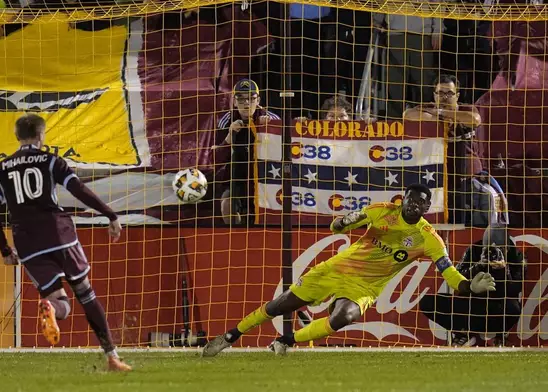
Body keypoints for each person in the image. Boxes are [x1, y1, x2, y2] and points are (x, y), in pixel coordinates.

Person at [202, 184, 496, 356]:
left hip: (365, 288)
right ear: (402, 199)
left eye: (422, 202)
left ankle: (286, 341)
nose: (416, 204)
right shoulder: (381, 211)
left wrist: (470, 285)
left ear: (427, 207)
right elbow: (337, 225)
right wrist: (342, 223)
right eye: (412, 199)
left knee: (344, 317)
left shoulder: (430, 239)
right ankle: (231, 335)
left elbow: (450, 275)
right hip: (336, 269)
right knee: (280, 305)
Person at [0, 114, 131, 372]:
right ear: (42, 136)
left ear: (17, 136)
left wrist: (4, 248)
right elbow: (79, 190)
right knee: (85, 294)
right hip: (59, 233)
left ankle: (50, 306)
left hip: (28, 241)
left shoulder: (0, 169)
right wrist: (110, 214)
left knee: (58, 299)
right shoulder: (52, 161)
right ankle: (112, 357)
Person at [403, 74, 484, 223]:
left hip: (466, 176)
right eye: (440, 93)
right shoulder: (426, 109)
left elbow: (475, 120)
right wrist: (438, 117)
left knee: (465, 221)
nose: (444, 97)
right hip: (436, 177)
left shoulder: (467, 109)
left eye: (449, 93)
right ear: (434, 95)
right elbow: (407, 115)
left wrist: (442, 113)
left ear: (457, 96)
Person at [420, 238, 525, 347]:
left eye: (501, 248)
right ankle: (462, 332)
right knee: (428, 302)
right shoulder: (474, 249)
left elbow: (516, 288)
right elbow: (458, 276)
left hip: (497, 308)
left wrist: (504, 270)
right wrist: (478, 266)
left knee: (514, 307)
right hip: (471, 305)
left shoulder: (516, 255)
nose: (494, 251)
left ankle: (500, 334)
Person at [214, 78, 280, 225]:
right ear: (234, 102)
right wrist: (229, 137)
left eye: (251, 98)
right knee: (227, 205)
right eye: (241, 99)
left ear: (258, 100)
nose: (246, 103)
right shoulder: (227, 120)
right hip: (237, 175)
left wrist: (269, 130)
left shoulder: (271, 119)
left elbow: (283, 154)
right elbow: (216, 158)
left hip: (265, 177)